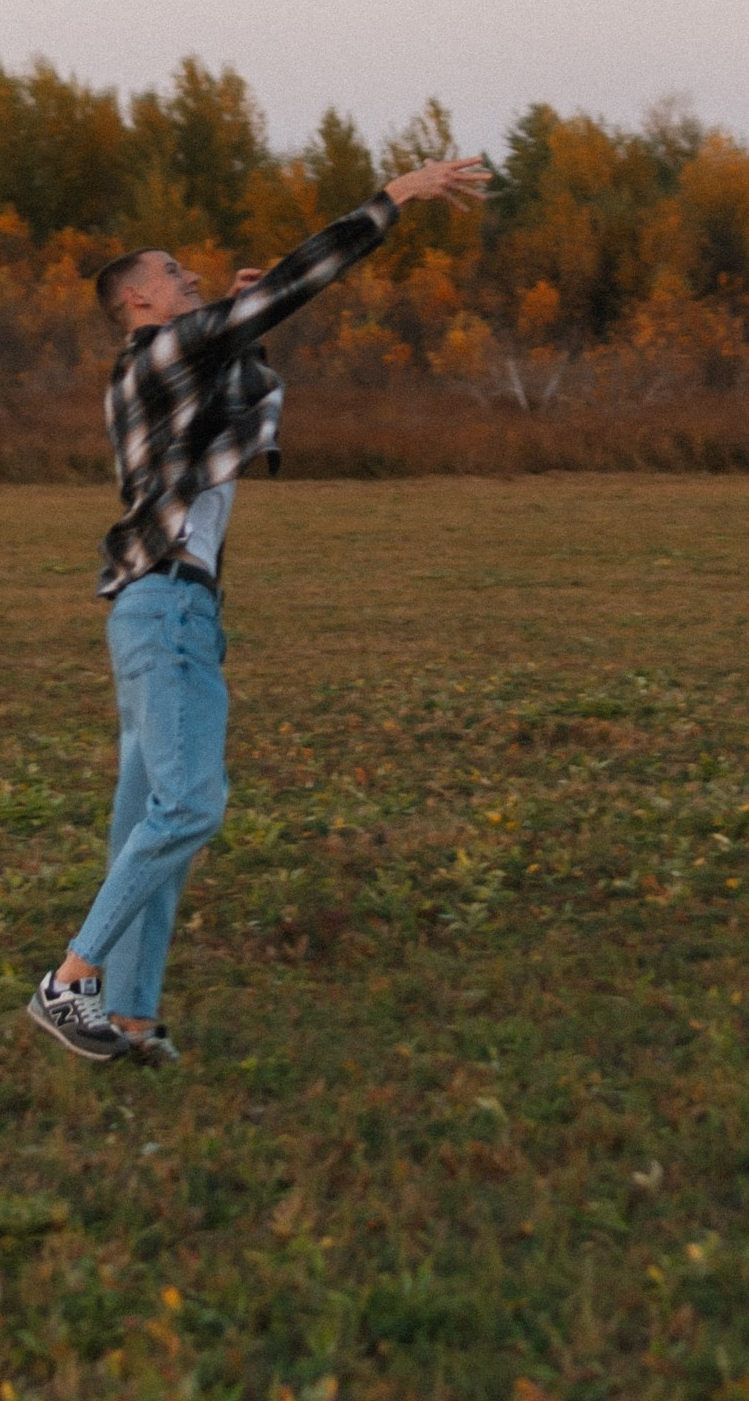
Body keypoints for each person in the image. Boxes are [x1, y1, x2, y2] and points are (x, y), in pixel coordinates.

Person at [26, 152, 490, 1064]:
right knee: (190, 805)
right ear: (139, 302)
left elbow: (235, 395)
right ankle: (69, 981)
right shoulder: (160, 350)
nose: (190, 275)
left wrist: (239, 331)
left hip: (154, 608)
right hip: (166, 612)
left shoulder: (164, 367)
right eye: (172, 273)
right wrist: (392, 200)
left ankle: (128, 1019)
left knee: (148, 822)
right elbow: (289, 289)